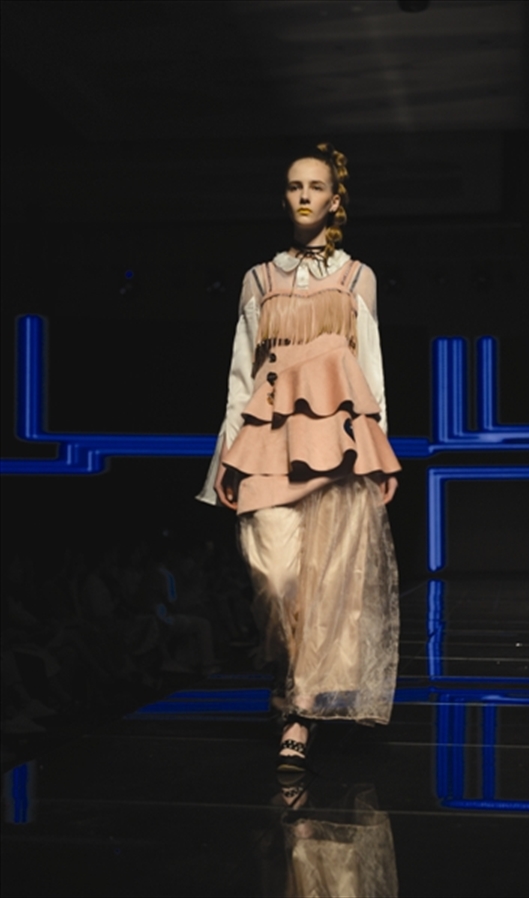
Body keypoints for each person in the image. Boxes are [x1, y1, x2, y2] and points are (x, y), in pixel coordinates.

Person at [196, 142, 401, 774]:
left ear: (336, 200)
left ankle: (299, 715)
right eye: (294, 186)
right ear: (284, 198)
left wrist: (379, 449)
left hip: (337, 444)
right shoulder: (259, 279)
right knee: (277, 577)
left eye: (316, 186)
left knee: (329, 588)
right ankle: (287, 677)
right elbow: (240, 375)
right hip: (269, 442)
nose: (304, 195)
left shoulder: (357, 276)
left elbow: (370, 368)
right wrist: (227, 456)